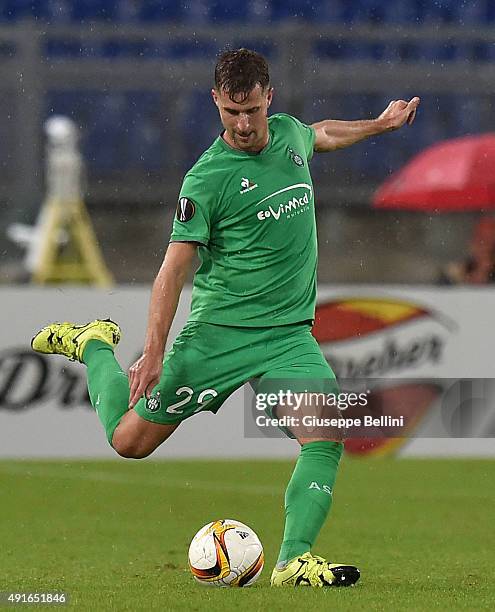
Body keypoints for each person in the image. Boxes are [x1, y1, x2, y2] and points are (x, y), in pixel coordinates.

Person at [32, 48, 419, 588]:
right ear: (216, 101)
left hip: (287, 336)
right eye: (231, 113)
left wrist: (380, 125)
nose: (242, 125)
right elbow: (171, 273)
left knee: (328, 432)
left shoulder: (287, 134)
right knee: (128, 443)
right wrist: (154, 349)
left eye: (252, 111)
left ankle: (292, 562)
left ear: (269, 100)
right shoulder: (206, 180)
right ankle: (95, 343)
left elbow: (321, 133)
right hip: (219, 336)